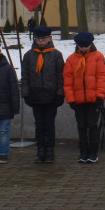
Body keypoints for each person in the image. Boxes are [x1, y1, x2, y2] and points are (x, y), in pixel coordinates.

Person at [21, 25, 65, 163]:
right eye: (38, 38)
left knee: (49, 124)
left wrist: (60, 93)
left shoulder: (56, 55)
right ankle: (40, 150)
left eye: (44, 38)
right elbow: (25, 75)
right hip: (35, 95)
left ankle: (50, 150)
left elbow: (60, 75)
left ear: (50, 38)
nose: (41, 41)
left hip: (51, 96)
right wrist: (26, 93)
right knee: (39, 124)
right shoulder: (28, 55)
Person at [63, 31, 105, 163]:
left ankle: (93, 153)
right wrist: (71, 99)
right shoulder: (71, 60)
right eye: (81, 46)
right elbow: (68, 81)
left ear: (91, 44)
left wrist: (100, 97)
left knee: (92, 125)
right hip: (78, 100)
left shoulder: (99, 57)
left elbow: (102, 78)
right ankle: (83, 152)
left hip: (93, 99)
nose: (83, 49)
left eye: (86, 46)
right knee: (81, 126)